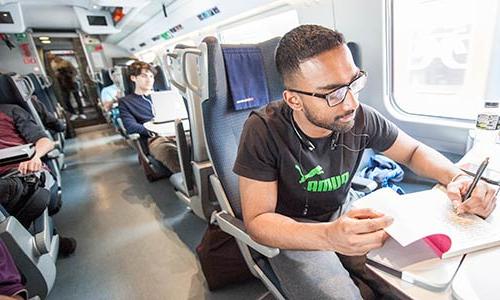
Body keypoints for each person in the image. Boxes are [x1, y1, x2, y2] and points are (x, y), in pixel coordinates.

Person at [233, 25, 498, 300]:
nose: (350, 103)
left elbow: (412, 152)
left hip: (343, 209)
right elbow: (258, 221)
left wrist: (457, 178)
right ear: (294, 100)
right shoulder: (262, 130)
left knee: (417, 280)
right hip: (292, 228)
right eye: (332, 93)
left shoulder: (360, 117)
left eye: (354, 82)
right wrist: (328, 237)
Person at [0, 104, 76, 257]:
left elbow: (44, 141)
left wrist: (35, 157)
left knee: (13, 187)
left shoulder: (10, 111)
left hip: (21, 171)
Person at [119, 61, 180, 173]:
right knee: (169, 151)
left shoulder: (166, 96)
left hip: (178, 133)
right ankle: (192, 185)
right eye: (144, 76)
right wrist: (154, 131)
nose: (149, 80)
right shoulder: (126, 102)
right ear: (133, 78)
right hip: (155, 138)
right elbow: (130, 126)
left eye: (151, 76)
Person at [49, 54, 86, 120]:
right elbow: (56, 77)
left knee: (77, 99)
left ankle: (81, 113)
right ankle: (73, 113)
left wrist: (71, 76)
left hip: (72, 82)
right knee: (66, 101)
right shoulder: (54, 67)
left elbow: (75, 72)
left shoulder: (67, 64)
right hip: (63, 85)